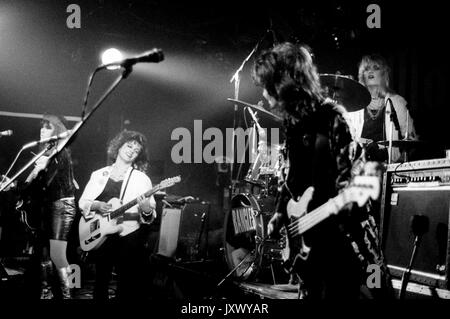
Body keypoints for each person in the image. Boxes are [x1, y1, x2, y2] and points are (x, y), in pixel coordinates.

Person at [252, 42, 392, 299]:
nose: (265, 95)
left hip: (347, 238)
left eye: (268, 86)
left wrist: (332, 210)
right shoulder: (295, 125)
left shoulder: (332, 119)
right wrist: (280, 215)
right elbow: (293, 177)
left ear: (285, 85)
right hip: (314, 243)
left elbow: (348, 191)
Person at [79, 130, 156, 301]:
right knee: (100, 281)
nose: (131, 151)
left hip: (128, 233)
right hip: (103, 232)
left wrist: (146, 209)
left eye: (136, 151)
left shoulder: (141, 179)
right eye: (129, 146)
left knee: (126, 283)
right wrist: (96, 205)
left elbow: (151, 215)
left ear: (138, 156)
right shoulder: (98, 174)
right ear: (118, 146)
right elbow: (83, 202)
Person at [22, 114, 78, 299]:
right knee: (44, 254)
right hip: (47, 205)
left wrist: (43, 165)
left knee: (58, 255)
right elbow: (33, 184)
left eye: (48, 127)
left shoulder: (61, 150)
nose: (42, 129)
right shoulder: (43, 152)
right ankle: (46, 294)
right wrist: (16, 185)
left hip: (62, 204)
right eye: (42, 126)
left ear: (57, 130)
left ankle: (68, 295)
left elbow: (54, 170)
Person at [346, 54, 417, 163]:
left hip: (389, 166)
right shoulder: (355, 104)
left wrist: (400, 163)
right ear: (362, 75)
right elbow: (350, 138)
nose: (370, 71)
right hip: (361, 167)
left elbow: (411, 140)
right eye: (366, 69)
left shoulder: (397, 102)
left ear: (384, 74)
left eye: (376, 68)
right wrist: (368, 142)